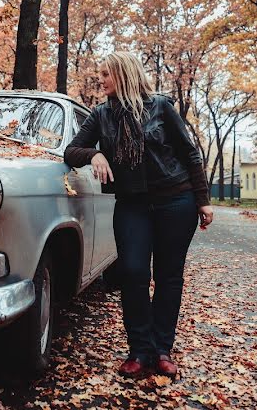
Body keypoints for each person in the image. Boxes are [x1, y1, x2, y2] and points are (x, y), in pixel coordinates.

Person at [64, 52, 213, 377]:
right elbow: (71, 150)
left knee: (168, 276)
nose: (100, 80)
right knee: (132, 273)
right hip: (132, 205)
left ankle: (161, 350)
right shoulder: (101, 114)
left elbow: (190, 152)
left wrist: (202, 200)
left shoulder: (160, 107)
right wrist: (96, 153)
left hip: (176, 201)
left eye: (106, 74)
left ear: (123, 73)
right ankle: (140, 350)